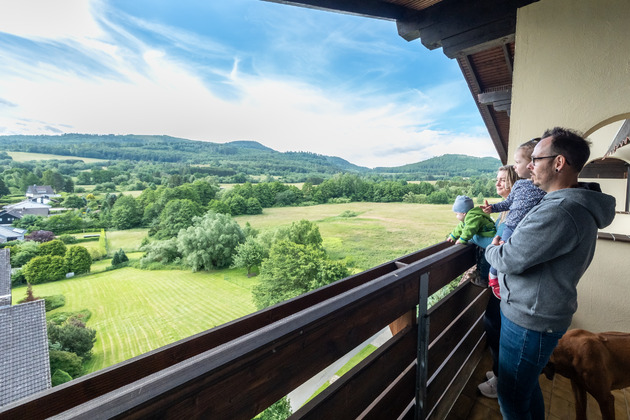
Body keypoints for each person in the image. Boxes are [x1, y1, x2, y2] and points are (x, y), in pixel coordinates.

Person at [484, 127, 616, 419]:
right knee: (527, 389)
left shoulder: (561, 211)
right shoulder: (563, 203)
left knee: (512, 397)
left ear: (558, 163)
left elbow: (509, 257)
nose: (529, 165)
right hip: (535, 313)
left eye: (536, 158)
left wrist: (490, 248)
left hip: (529, 319)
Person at [481, 139, 546, 298]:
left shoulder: (543, 187)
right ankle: (494, 277)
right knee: (503, 251)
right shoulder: (519, 185)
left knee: (504, 253)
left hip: (524, 228)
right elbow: (509, 203)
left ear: (532, 163)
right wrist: (493, 208)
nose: (515, 165)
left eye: (518, 162)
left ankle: (495, 279)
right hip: (511, 226)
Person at [477, 164, 518, 399]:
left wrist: (474, 238)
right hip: (501, 281)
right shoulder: (505, 210)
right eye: (496, 179)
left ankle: (501, 382)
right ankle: (498, 372)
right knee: (494, 326)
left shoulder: (514, 211)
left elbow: (499, 245)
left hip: (504, 283)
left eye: (503, 180)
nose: (497, 183)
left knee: (495, 327)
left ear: (514, 182)